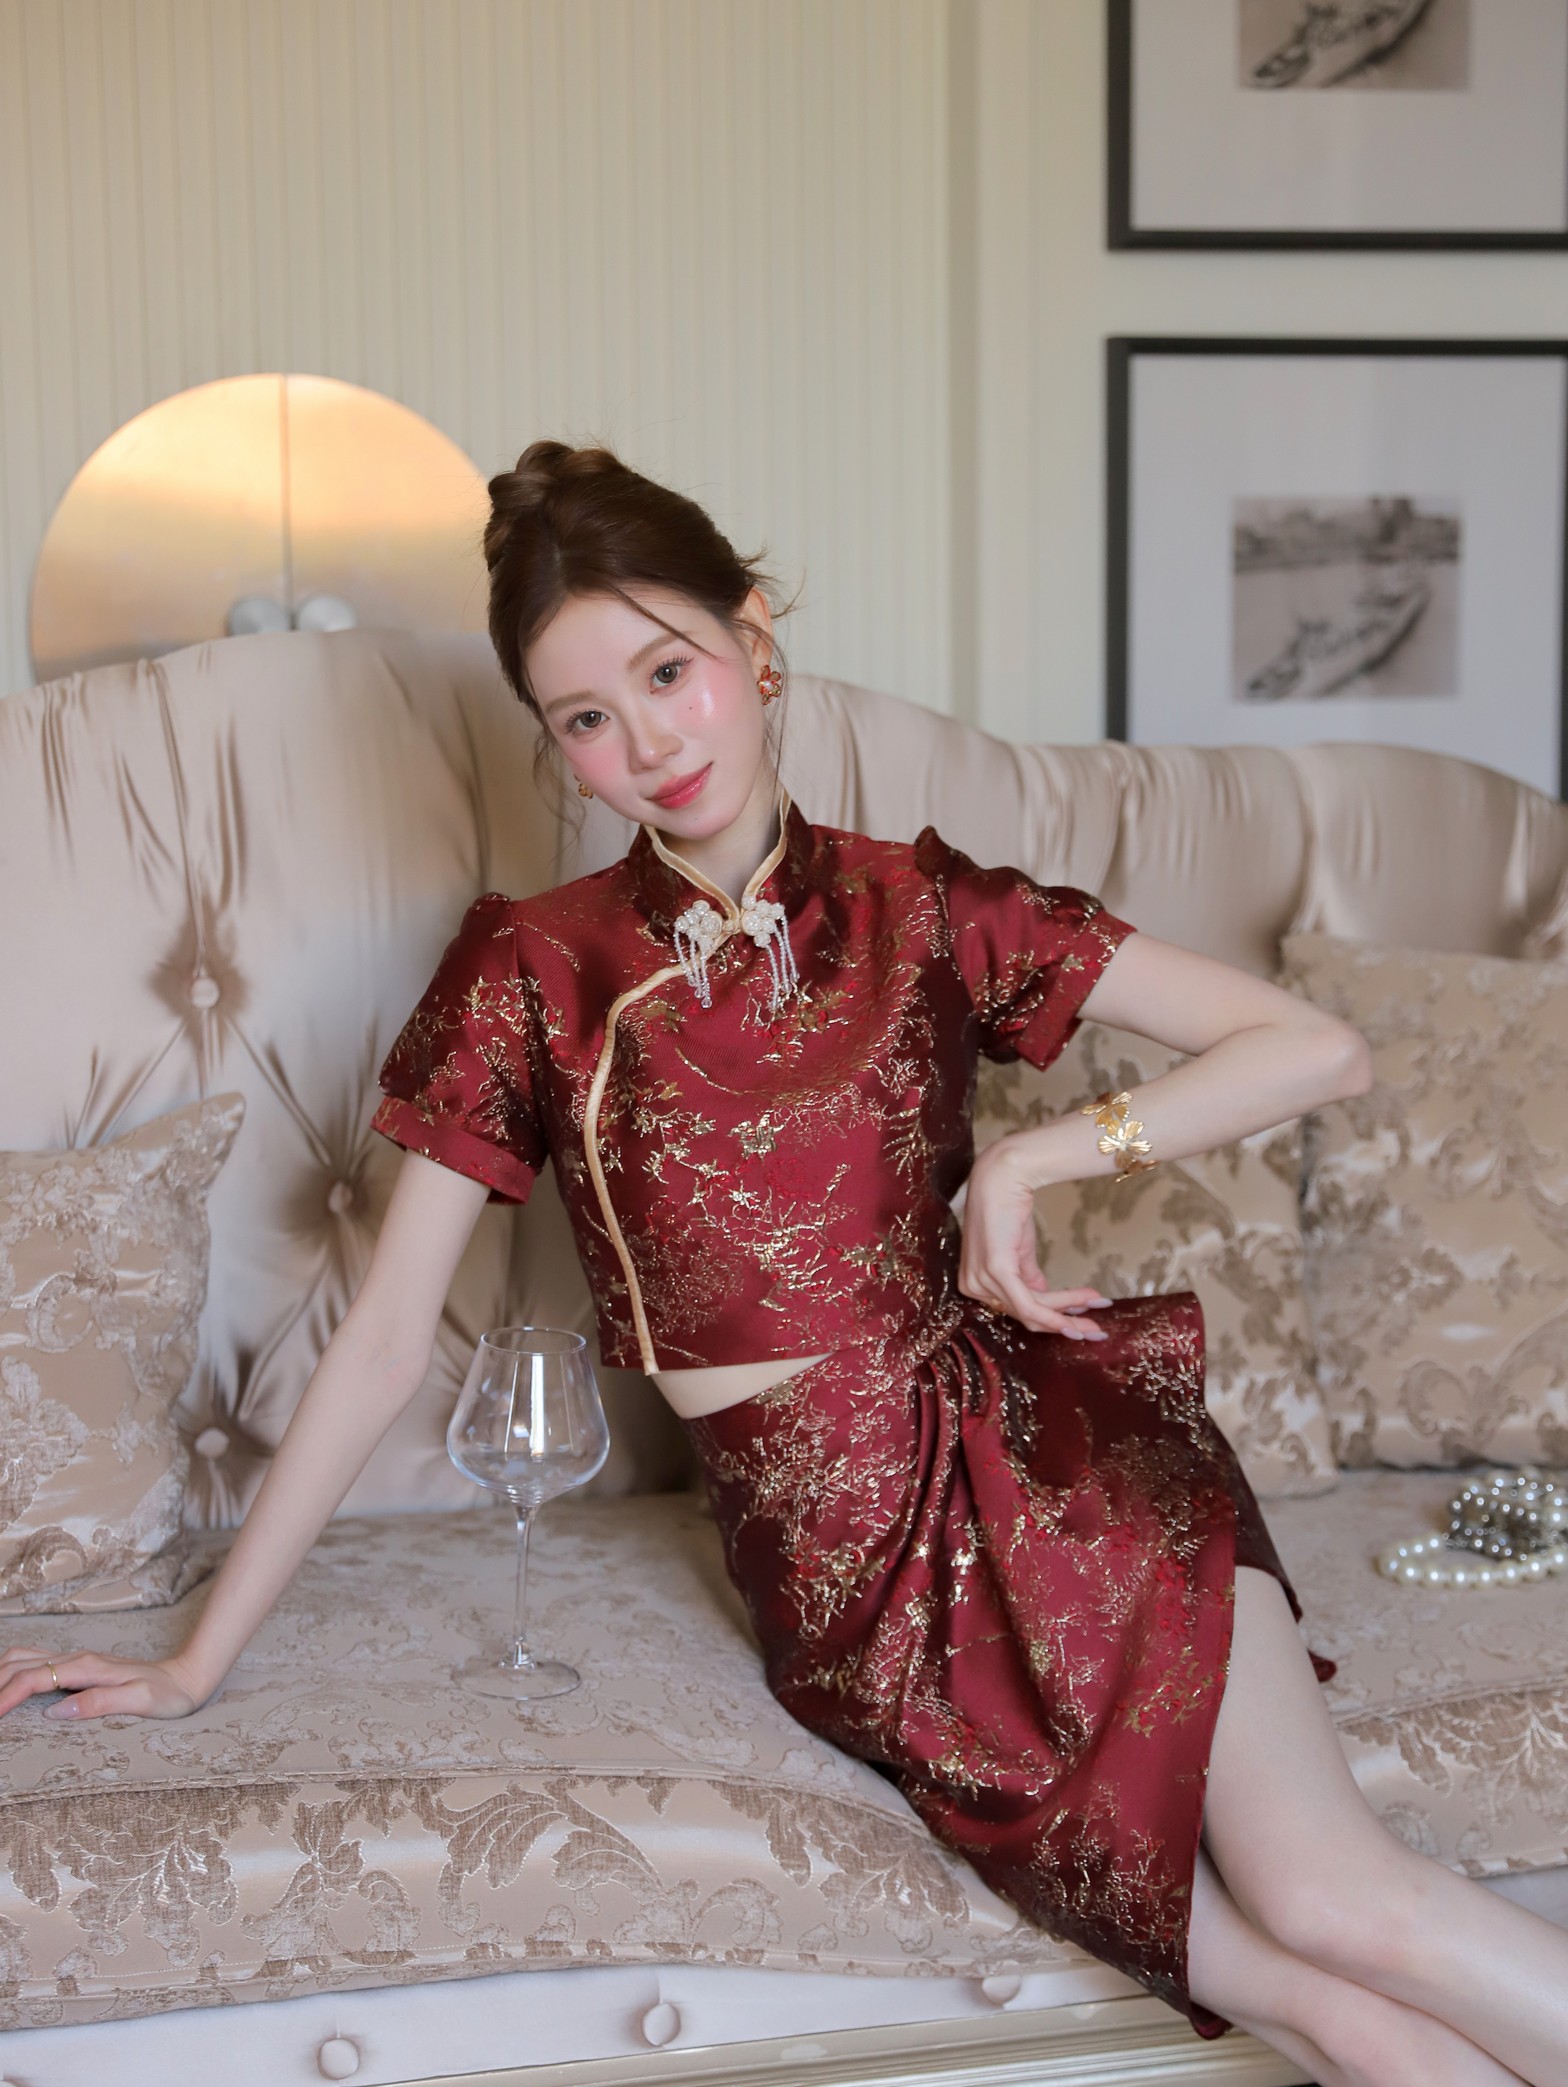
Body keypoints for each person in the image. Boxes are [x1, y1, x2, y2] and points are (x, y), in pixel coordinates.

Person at [3, 443, 1564, 2087]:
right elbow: (387, 1338)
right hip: (847, 1586)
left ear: (753, 642)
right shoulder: (530, 969)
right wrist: (195, 1656)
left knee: (1334, 1903)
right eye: (584, 717)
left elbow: (1315, 1048)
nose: (645, 742)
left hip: (1066, 1467)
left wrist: (1036, 1155)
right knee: (1300, 1993)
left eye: (666, 671)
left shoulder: (925, 907)